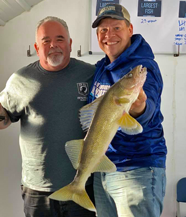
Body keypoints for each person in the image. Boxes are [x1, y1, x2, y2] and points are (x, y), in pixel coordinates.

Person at [0, 16, 95, 217]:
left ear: (70, 44)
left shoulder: (91, 74)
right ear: (37, 48)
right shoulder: (21, 79)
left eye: (60, 39)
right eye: (46, 41)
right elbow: (2, 120)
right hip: (37, 192)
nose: (53, 45)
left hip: (81, 187)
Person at [89, 3, 167, 217]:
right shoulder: (101, 68)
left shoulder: (143, 66)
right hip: (103, 170)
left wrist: (139, 107)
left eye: (116, 28)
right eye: (103, 30)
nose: (109, 35)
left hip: (136, 170)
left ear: (130, 30)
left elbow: (148, 108)